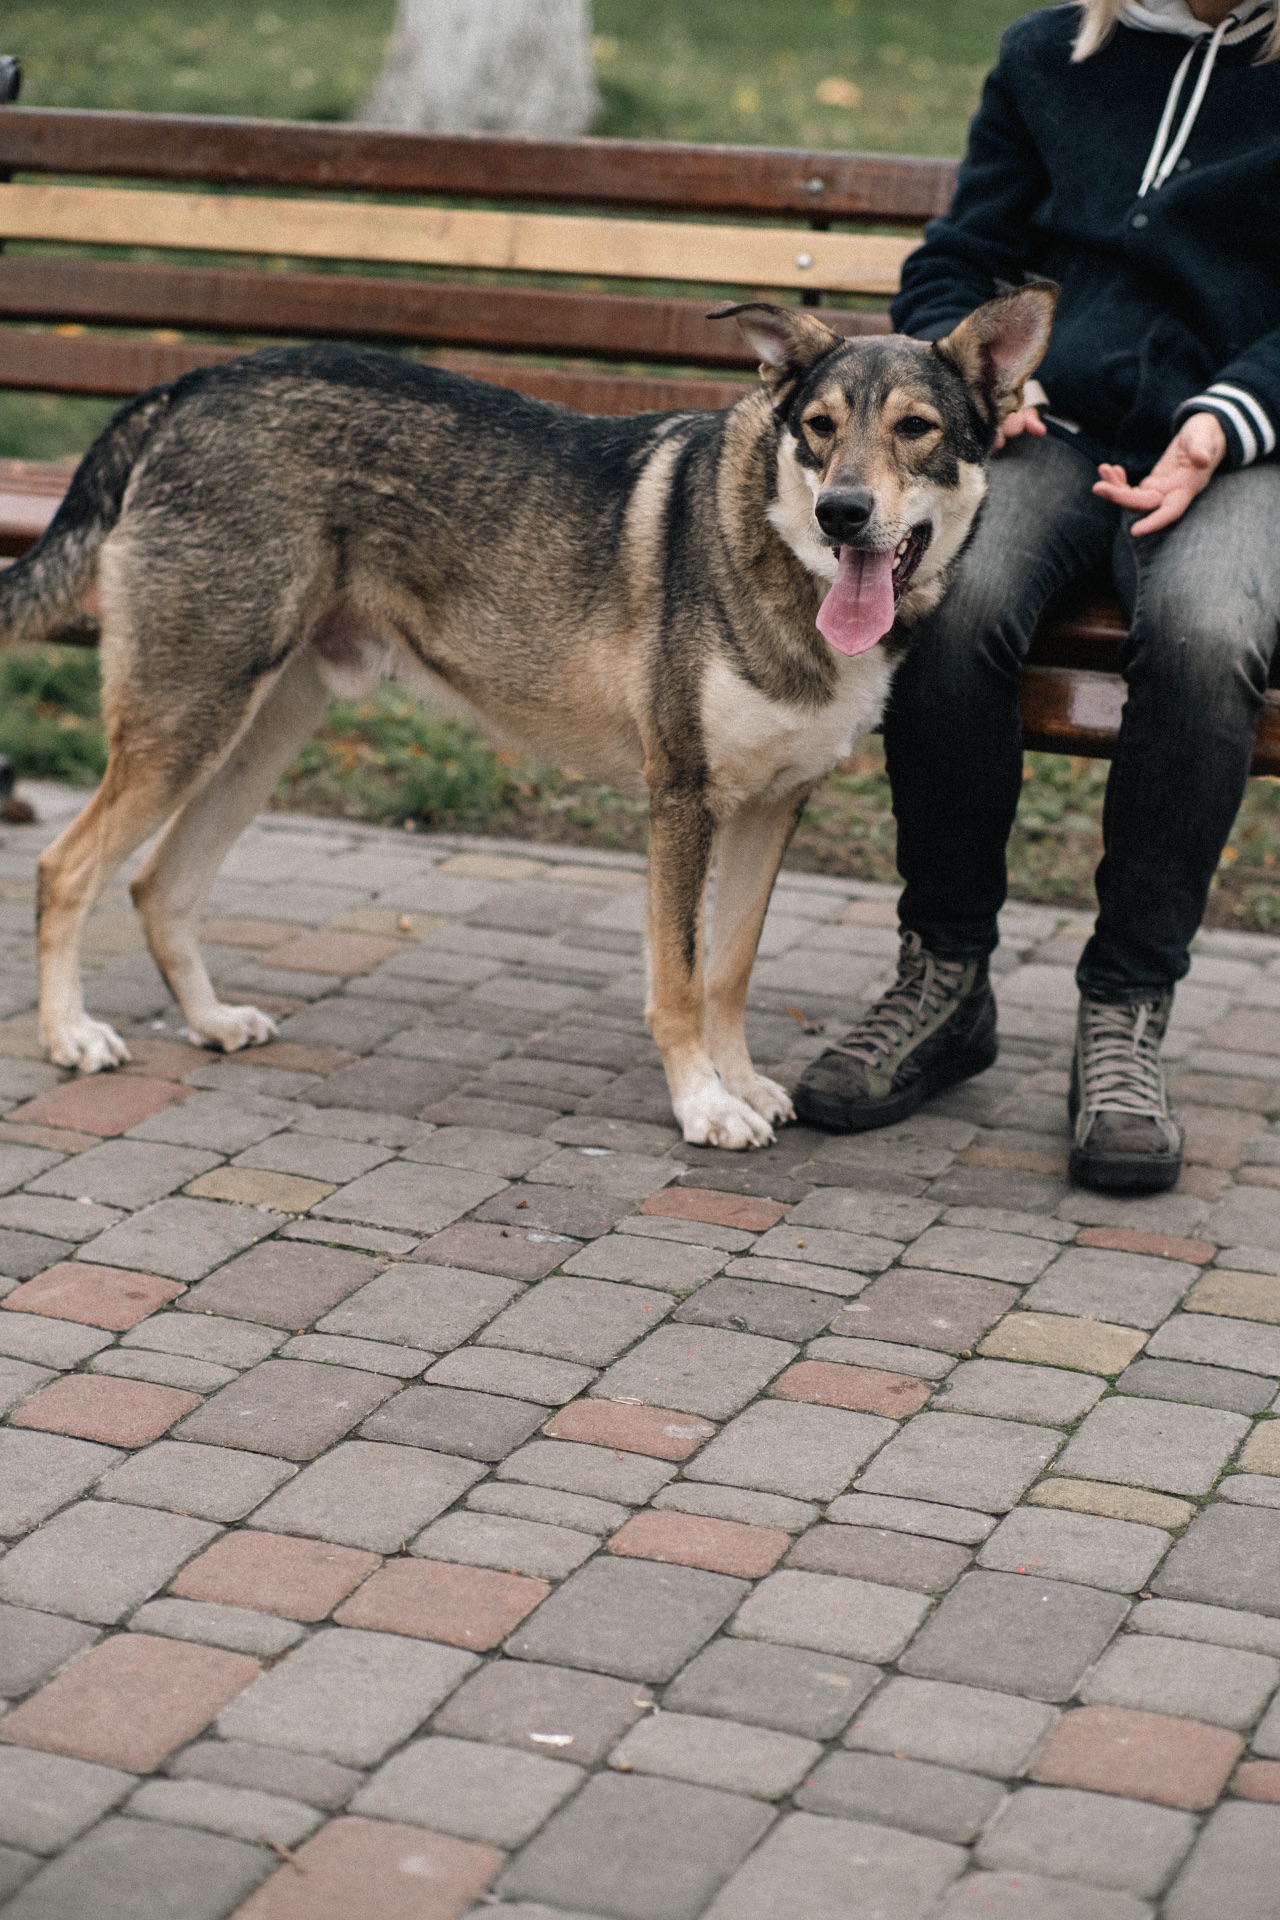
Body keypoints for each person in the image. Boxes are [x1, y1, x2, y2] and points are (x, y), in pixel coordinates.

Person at [793, 0, 1280, 1193]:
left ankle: (1123, 1014)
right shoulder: (1050, 52)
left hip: (1238, 444)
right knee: (949, 606)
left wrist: (1223, 421)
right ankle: (942, 978)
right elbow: (963, 253)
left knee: (1208, 632)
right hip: (1048, 430)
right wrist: (966, 383)